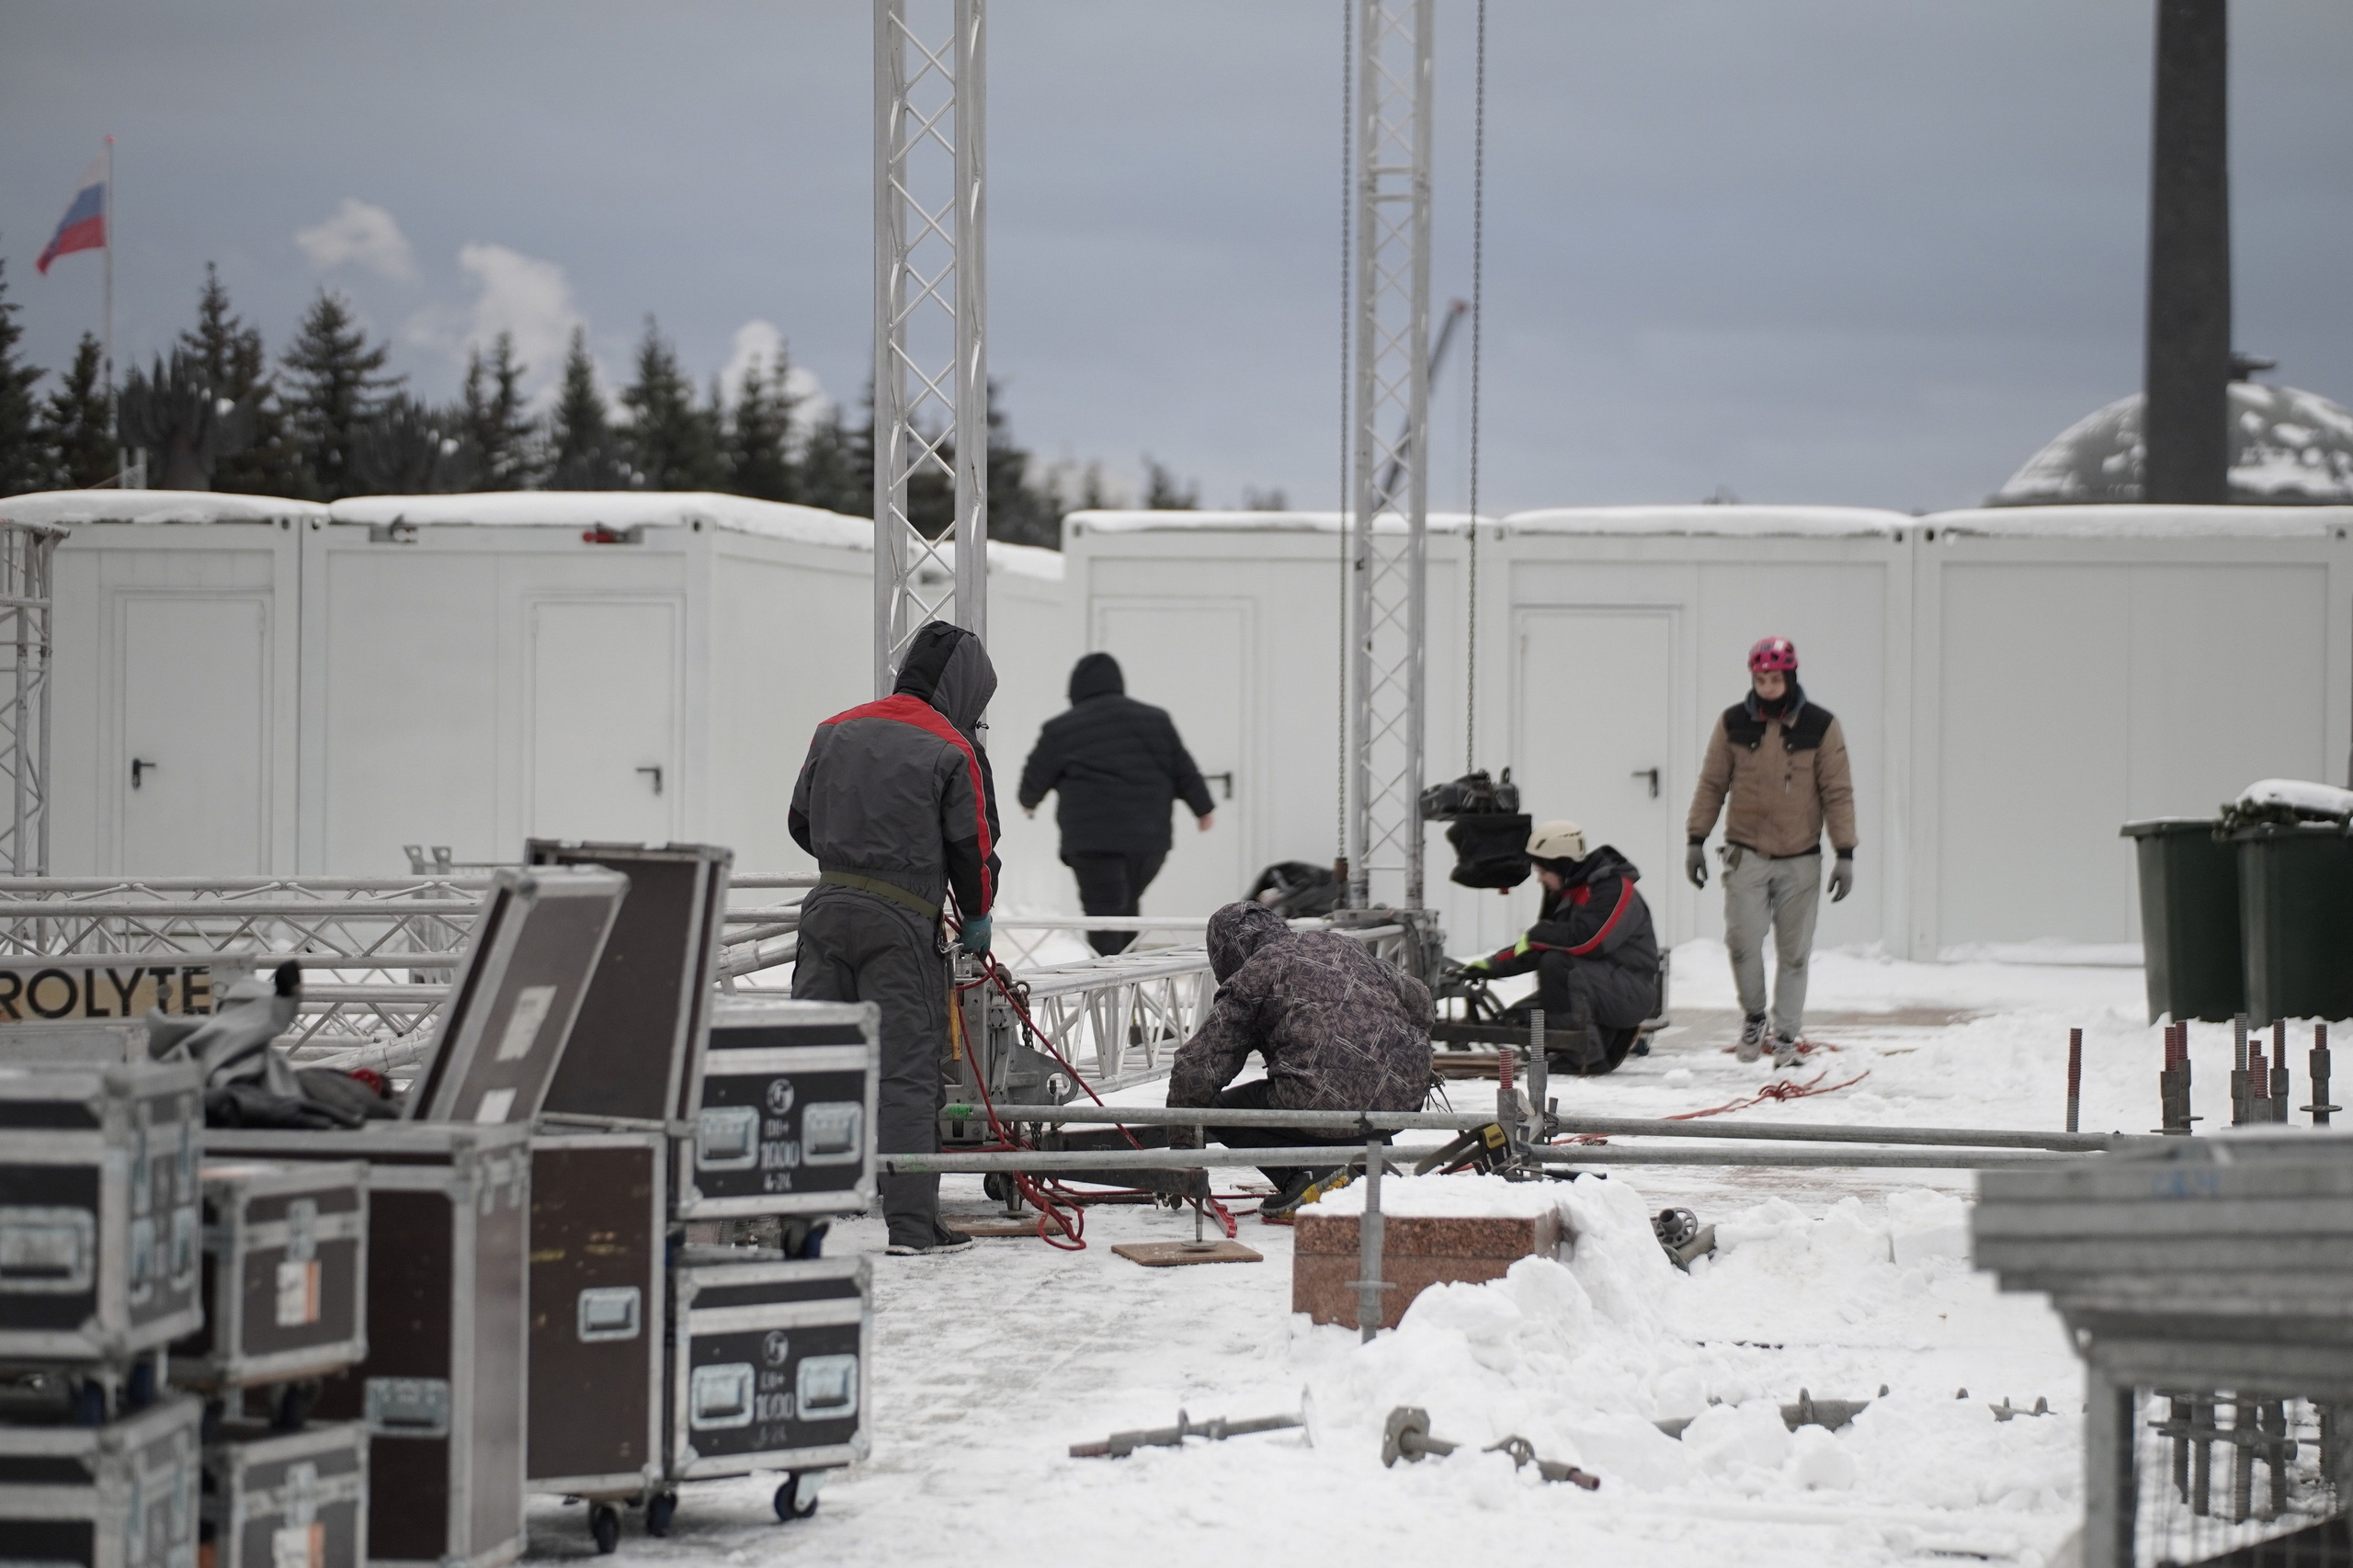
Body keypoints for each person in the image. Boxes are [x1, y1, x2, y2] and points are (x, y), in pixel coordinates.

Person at [790, 620, 1001, 1256]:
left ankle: (793, 1222)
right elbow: (974, 850)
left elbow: (800, 822)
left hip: (825, 912)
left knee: (814, 1065)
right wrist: (975, 916)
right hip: (901, 922)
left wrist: (849, 861)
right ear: (965, 689)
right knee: (907, 1074)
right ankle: (913, 1227)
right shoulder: (951, 747)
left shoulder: (835, 728)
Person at [1165, 902, 1432, 1210]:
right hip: (1402, 1095)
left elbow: (1197, 1068)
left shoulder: (1256, 972)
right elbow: (1420, 999)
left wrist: (1183, 1152)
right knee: (1342, 1089)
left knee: (1223, 1113)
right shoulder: (1341, 945)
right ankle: (1370, 1165)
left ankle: (1306, 1177)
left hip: (1322, 1098)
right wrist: (1401, 1050)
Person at [1684, 635, 1857, 1069]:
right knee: (1742, 941)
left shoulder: (1821, 725)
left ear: (1790, 677)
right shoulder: (1732, 724)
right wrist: (1695, 840)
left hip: (1801, 859)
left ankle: (1785, 1035)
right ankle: (1755, 1015)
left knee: (1794, 952)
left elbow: (1837, 793)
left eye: (1774, 679)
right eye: (1760, 679)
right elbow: (1711, 784)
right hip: (1746, 854)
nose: (1767, 687)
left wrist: (1845, 852)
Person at [1017, 652, 1216, 955]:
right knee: (1127, 903)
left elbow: (1037, 772)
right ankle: (1127, 975)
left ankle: (1108, 982)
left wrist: (1028, 800)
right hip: (1147, 840)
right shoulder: (1156, 720)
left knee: (1103, 910)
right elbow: (1183, 767)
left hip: (1092, 841)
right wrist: (1203, 809)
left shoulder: (1061, 728)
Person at [1459, 821, 1662, 1072]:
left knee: (1556, 964)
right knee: (1518, 1021)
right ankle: (1588, 1046)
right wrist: (1491, 966)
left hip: (1630, 992)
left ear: (1561, 865)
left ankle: (1584, 1059)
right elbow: (1543, 944)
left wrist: (1538, 935)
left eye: (1543, 871)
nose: (1539, 879)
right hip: (1601, 984)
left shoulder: (1614, 888)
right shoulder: (1567, 892)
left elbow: (1588, 941)